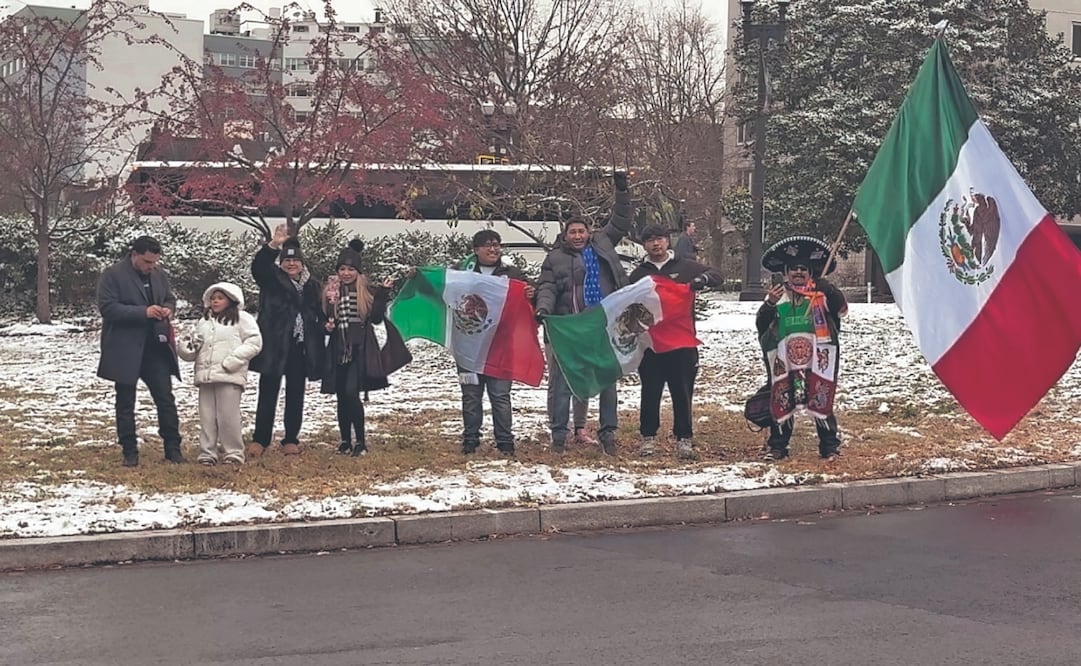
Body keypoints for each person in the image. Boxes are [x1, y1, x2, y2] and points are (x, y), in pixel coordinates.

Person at [535, 171, 634, 455]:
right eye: (573, 232)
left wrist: (622, 190)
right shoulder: (554, 258)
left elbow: (621, 219)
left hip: (602, 328)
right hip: (570, 330)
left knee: (607, 381)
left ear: (588, 233)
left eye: (581, 231)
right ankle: (559, 435)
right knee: (563, 383)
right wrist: (543, 309)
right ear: (565, 236)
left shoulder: (602, 245)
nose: (578, 236)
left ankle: (608, 432)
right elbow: (547, 287)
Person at [628, 224, 721, 460]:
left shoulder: (685, 266)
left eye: (659, 239)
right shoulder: (639, 275)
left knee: (682, 392)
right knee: (650, 391)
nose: (655, 244)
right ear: (644, 245)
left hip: (682, 342)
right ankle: (648, 437)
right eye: (650, 240)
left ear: (668, 241)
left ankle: (684, 438)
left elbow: (718, 276)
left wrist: (702, 279)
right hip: (651, 344)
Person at [756, 235, 848, 462]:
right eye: (794, 269)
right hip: (785, 358)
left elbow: (841, 310)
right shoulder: (778, 295)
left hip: (817, 358)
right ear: (786, 272)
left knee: (821, 397)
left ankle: (829, 446)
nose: (798, 272)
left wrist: (830, 290)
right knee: (781, 397)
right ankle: (777, 446)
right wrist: (768, 304)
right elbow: (761, 325)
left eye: (803, 269)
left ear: (810, 272)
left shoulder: (821, 294)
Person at [96, 235, 183, 467]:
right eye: (147, 262)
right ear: (134, 255)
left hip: (156, 348)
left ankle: (173, 449)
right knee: (125, 401)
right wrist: (143, 312)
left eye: (154, 262)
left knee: (165, 399)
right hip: (126, 348)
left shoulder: (159, 274)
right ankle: (129, 451)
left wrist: (168, 309)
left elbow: (169, 298)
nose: (151, 267)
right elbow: (107, 308)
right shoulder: (112, 275)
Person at [320, 239, 406, 456]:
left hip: (359, 350)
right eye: (342, 269)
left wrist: (383, 293)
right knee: (341, 395)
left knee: (351, 393)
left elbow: (376, 318)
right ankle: (345, 440)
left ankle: (360, 441)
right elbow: (323, 318)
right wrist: (326, 326)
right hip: (337, 349)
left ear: (358, 272)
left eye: (351, 269)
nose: (346, 273)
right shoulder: (330, 292)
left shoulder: (365, 292)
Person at [457, 230, 535, 456]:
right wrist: (418, 276)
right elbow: (441, 286)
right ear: (476, 250)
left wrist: (532, 293)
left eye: (496, 244)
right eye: (487, 245)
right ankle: (470, 440)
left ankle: (505, 442)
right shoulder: (462, 273)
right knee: (471, 396)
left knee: (500, 396)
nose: (493, 249)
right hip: (469, 347)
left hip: (501, 346)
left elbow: (532, 297)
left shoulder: (513, 274)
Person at [249, 224, 324, 458]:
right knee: (267, 392)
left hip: (300, 347)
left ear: (302, 263)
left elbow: (319, 312)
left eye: (295, 261)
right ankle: (260, 438)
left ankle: (291, 438)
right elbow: (259, 267)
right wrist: (273, 245)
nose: (291, 264)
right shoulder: (272, 279)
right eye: (287, 261)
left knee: (295, 393)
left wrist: (324, 324)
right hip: (274, 344)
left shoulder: (313, 285)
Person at [178, 283, 263, 466]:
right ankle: (207, 452)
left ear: (231, 300)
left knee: (228, 417)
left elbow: (254, 342)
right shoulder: (204, 322)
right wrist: (185, 348)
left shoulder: (242, 318)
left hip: (229, 375)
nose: (215, 301)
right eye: (213, 298)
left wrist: (233, 361)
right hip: (206, 376)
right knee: (207, 417)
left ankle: (234, 452)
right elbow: (193, 351)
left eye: (220, 298)